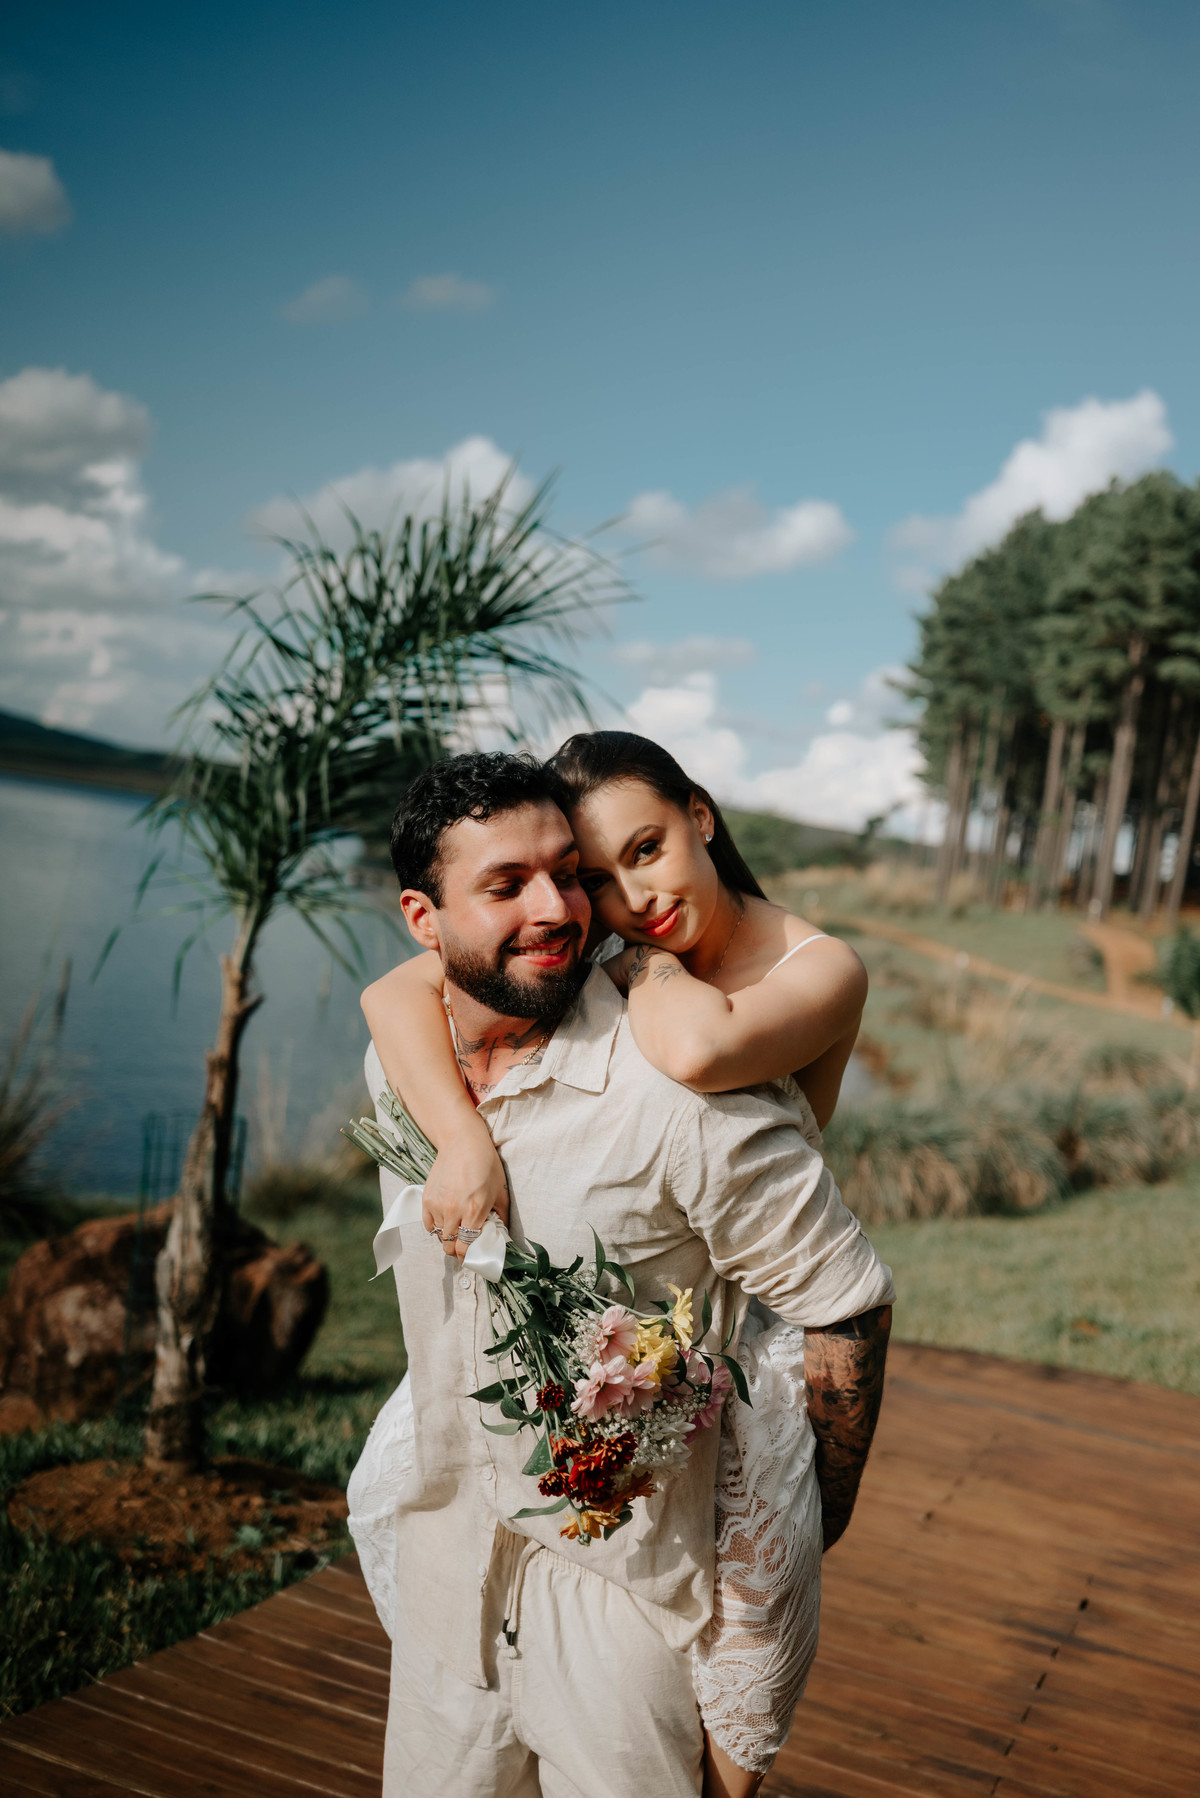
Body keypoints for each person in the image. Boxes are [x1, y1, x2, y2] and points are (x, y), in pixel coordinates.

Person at [352, 750, 893, 1798]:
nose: (560, 908)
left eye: (569, 874)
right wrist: (460, 1136)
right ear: (424, 919)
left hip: (619, 1602)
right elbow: (395, 994)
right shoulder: (404, 1065)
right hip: (447, 1571)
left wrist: (800, 1532)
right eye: (508, 884)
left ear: (700, 819)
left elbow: (844, 1305)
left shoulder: (683, 1097)